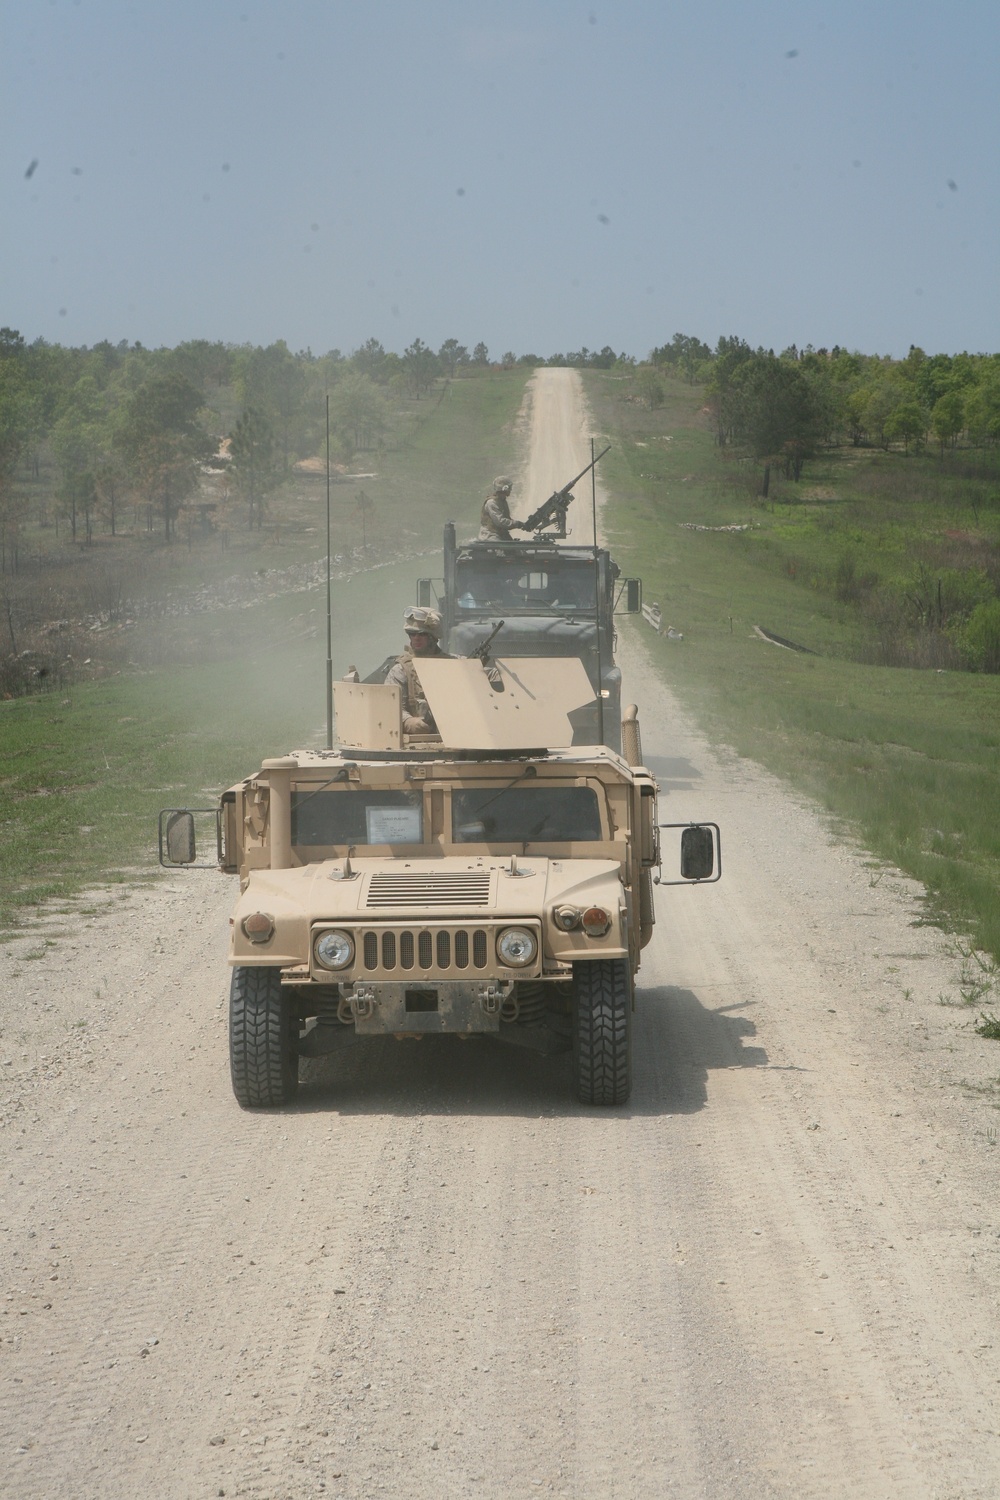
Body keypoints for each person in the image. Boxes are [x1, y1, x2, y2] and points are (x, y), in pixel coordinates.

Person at [385, 606, 454, 733]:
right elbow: (392, 708)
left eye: (422, 634)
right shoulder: (401, 670)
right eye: (412, 634)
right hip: (419, 743)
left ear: (433, 637)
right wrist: (409, 722)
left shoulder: (455, 664)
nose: (416, 638)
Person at [479, 476, 527, 541]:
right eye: (510, 488)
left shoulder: (502, 501)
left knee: (516, 550)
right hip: (490, 534)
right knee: (501, 550)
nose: (511, 489)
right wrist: (517, 524)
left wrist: (520, 525)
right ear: (505, 489)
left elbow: (506, 519)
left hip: (500, 533)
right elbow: (500, 521)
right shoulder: (491, 502)